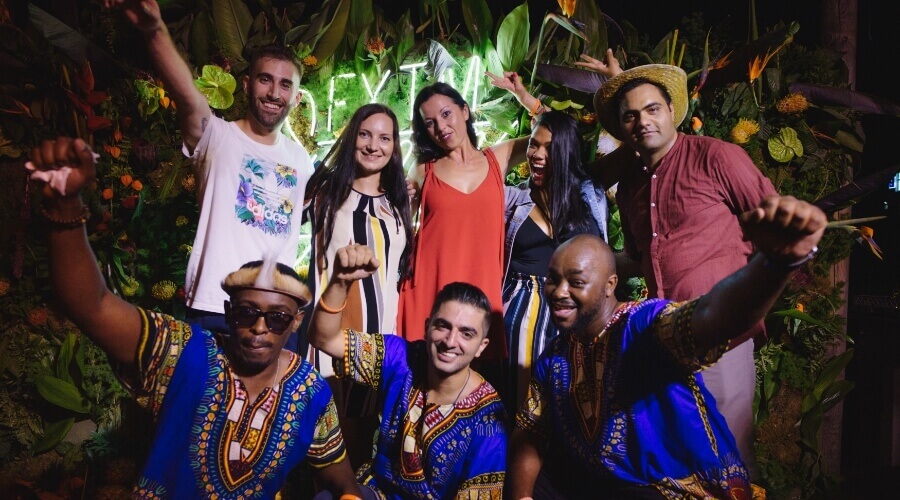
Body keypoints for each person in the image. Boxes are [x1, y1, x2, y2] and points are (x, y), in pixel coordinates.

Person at [25, 137, 362, 499]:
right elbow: (92, 306)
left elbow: (341, 480)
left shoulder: (309, 391)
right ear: (228, 312)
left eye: (278, 317)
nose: (259, 327)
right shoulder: (183, 352)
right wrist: (66, 206)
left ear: (296, 322)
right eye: (246, 312)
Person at [507, 195, 826, 498]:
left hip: (670, 492)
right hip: (607, 488)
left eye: (576, 282)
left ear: (610, 285)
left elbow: (712, 316)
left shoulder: (642, 325)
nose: (559, 291)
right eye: (553, 279)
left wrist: (774, 264)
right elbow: (531, 431)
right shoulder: (557, 355)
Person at [591, 61, 779, 477]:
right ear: (622, 127)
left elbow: (774, 230)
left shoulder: (717, 157)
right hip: (665, 337)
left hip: (723, 335)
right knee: (679, 459)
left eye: (652, 109)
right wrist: (585, 266)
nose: (643, 121)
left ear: (672, 110)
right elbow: (639, 256)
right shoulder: (631, 185)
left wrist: (752, 296)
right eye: (630, 116)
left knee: (730, 456)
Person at [106, 0, 314, 349]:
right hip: (216, 307)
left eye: (284, 85)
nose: (273, 93)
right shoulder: (217, 137)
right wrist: (155, 30)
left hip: (276, 315)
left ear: (295, 98)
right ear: (246, 85)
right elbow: (187, 95)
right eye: (265, 79)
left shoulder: (302, 160)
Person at [308, 244, 507, 499]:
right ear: (427, 327)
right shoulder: (402, 357)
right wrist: (340, 282)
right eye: (443, 326)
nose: (450, 341)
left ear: (481, 347)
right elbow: (324, 338)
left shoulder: (488, 421)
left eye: (466, 334)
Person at [299, 103, 414, 468]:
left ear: (394, 145)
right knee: (324, 441)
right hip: (328, 333)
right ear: (352, 138)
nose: (373, 145)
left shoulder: (399, 203)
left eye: (384, 138)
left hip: (378, 341)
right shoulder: (324, 190)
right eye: (365, 134)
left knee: (363, 443)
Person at [397, 82, 528, 359]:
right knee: (425, 369)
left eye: (446, 114)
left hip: (482, 286)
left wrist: (525, 97)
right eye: (430, 122)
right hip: (431, 286)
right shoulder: (422, 171)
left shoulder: (498, 158)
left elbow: (553, 135)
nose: (441, 127)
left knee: (482, 371)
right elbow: (400, 229)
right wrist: (403, 200)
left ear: (465, 111)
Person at [499, 110, 609, 413]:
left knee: (570, 404)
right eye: (533, 144)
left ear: (566, 152)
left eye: (549, 147)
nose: (537, 154)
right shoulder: (514, 199)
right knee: (523, 407)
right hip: (523, 310)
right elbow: (476, 170)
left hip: (576, 309)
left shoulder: (590, 197)